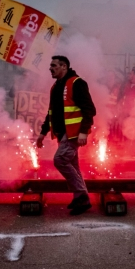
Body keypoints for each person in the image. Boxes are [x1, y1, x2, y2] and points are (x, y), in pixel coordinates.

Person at [37, 56, 96, 215]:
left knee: (60, 159)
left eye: (54, 65)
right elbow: (51, 113)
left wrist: (83, 131)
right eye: (50, 65)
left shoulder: (77, 83)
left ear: (64, 67)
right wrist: (43, 133)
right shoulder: (55, 87)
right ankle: (81, 199)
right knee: (74, 166)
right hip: (62, 133)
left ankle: (81, 195)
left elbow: (89, 110)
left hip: (74, 134)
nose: (50, 68)